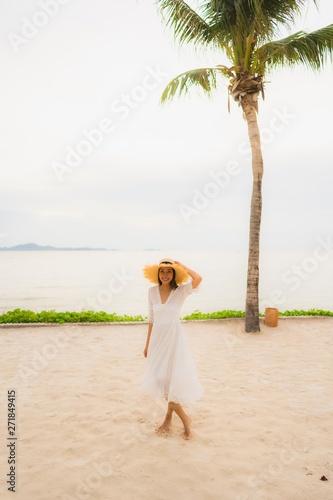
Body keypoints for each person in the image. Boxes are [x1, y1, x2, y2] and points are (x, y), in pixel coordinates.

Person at [142, 258, 204, 440]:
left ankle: (184, 420)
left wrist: (182, 266)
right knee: (162, 381)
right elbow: (152, 319)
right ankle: (170, 418)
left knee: (171, 382)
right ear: (157, 274)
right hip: (157, 341)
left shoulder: (180, 291)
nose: (166, 275)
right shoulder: (151, 292)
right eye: (162, 271)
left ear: (174, 274)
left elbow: (198, 278)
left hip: (175, 340)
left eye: (170, 271)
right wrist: (147, 345)